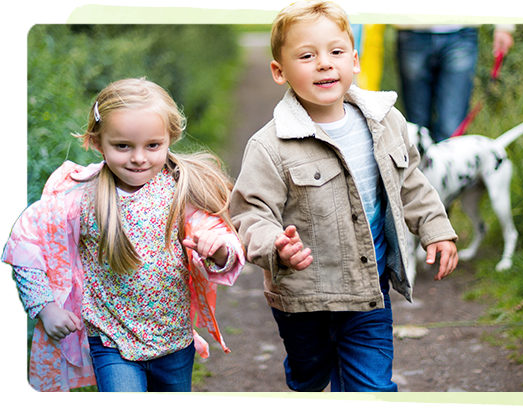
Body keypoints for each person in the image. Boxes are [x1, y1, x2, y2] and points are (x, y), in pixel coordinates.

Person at [230, 0, 458, 392]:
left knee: (370, 386)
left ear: (354, 60)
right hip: (303, 299)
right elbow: (250, 213)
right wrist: (276, 247)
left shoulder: (385, 122)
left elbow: (410, 181)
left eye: (335, 52)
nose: (324, 63)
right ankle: (311, 377)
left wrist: (436, 228)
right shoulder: (270, 146)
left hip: (368, 290)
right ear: (279, 71)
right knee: (311, 374)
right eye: (307, 55)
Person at [2, 78, 246, 392]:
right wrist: (46, 307)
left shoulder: (179, 192)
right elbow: (26, 241)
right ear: (96, 141)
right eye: (123, 146)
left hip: (174, 341)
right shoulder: (81, 199)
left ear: (170, 138)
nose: (139, 158)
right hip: (111, 341)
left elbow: (218, 235)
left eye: (153, 145)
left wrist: (219, 250)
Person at [390, 0, 516, 142]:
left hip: (461, 30)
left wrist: (505, 24)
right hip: (412, 29)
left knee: (451, 128)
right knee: (415, 128)